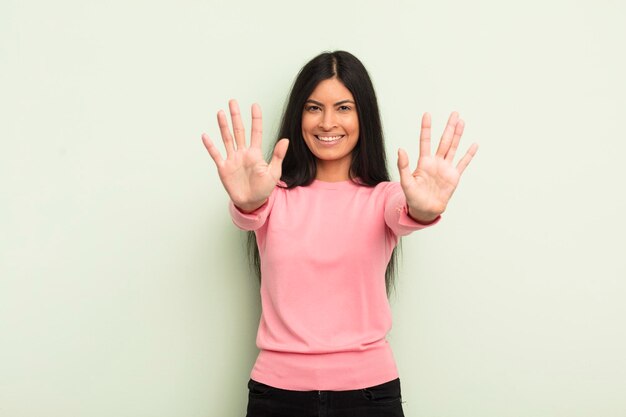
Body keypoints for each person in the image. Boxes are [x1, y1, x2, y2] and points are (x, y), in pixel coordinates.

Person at [201, 50, 478, 417]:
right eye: (314, 108)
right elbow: (249, 214)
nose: (328, 122)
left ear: (363, 115)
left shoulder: (385, 198)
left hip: (369, 396)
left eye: (344, 108)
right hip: (277, 395)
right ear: (299, 115)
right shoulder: (271, 196)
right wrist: (249, 201)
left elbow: (408, 213)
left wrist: (426, 208)